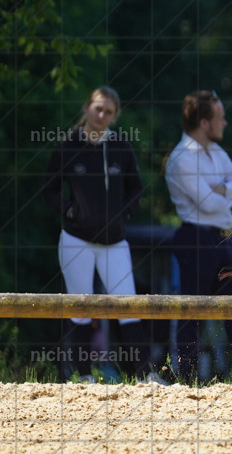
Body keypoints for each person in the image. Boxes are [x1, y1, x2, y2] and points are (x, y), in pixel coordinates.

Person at [42, 86, 164, 384]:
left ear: (115, 116)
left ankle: (146, 375)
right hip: (76, 240)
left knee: (128, 304)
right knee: (80, 306)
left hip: (114, 242)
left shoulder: (122, 147)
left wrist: (122, 214)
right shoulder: (67, 146)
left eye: (109, 112)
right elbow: (49, 190)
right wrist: (70, 211)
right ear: (87, 107)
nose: (102, 115)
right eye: (98, 108)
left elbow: (136, 187)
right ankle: (83, 376)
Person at [165, 90, 232, 383]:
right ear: (205, 123)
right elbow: (207, 204)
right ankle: (189, 375)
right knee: (191, 311)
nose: (225, 123)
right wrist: (225, 190)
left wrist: (219, 187)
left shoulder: (216, 153)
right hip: (195, 238)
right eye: (220, 118)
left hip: (223, 240)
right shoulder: (181, 158)